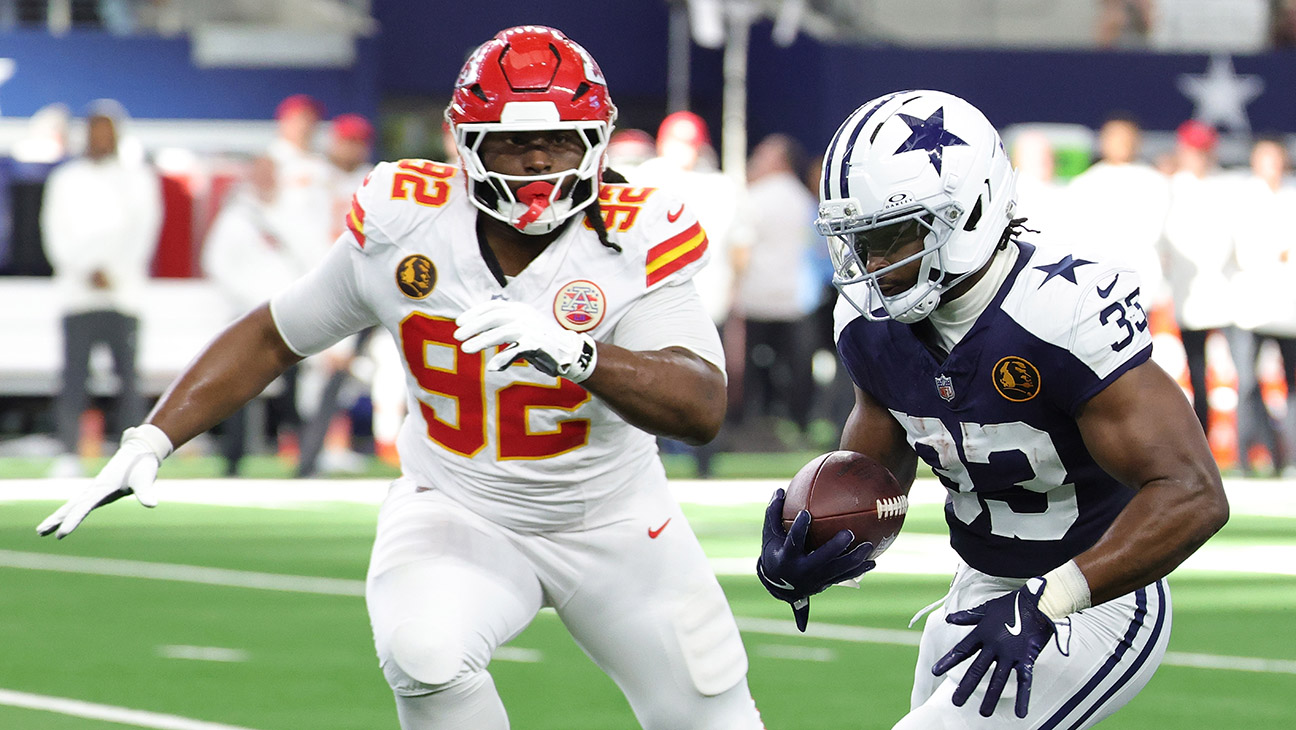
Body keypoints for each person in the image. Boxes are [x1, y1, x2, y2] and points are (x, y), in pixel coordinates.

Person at [39, 26, 764, 730]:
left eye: (560, 140)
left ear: (597, 139)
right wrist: (153, 437)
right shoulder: (405, 225)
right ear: (466, 143)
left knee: (714, 717)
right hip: (462, 509)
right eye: (512, 143)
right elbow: (273, 334)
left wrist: (580, 354)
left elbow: (700, 405)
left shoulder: (636, 232)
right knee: (425, 650)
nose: (539, 162)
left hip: (617, 518)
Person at [756, 90, 1228, 728]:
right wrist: (816, 541)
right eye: (857, 241)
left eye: (892, 237)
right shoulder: (869, 323)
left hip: (1099, 591)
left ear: (972, 211)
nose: (873, 266)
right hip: (982, 584)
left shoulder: (1060, 311)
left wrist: (1048, 600)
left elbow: (1193, 492)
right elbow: (876, 466)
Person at [40, 101, 163, 477]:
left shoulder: (138, 179)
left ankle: (136, 456)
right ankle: (69, 452)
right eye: (95, 130)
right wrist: (84, 270)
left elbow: (144, 230)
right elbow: (55, 231)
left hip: (123, 295)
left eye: (107, 131)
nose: (100, 138)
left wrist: (115, 272)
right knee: (74, 378)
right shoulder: (65, 179)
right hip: (77, 296)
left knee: (128, 380)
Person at [200, 156, 309, 475]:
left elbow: (310, 260)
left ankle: (303, 457)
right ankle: (233, 459)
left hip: (288, 315)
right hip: (247, 316)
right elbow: (216, 263)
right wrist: (248, 300)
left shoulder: (294, 215)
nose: (266, 180)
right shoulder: (236, 218)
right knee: (238, 391)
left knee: (293, 392)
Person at [729, 133, 820, 442]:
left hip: (757, 297)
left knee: (754, 369)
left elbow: (741, 249)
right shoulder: (804, 200)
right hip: (797, 298)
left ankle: (750, 426)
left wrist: (734, 288)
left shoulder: (755, 198)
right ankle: (800, 425)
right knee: (798, 368)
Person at [1159, 120, 1239, 439]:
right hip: (1189, 297)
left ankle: (1246, 445)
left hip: (1231, 296)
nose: (1199, 156)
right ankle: (1201, 441)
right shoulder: (1169, 188)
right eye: (1193, 150)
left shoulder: (1229, 186)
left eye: (1204, 150)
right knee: (1196, 374)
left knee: (1243, 375)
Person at [1229, 136, 1296, 475]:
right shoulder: (1240, 197)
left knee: (1291, 386)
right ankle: (1245, 458)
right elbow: (1241, 251)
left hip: (1289, 310)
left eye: (1276, 158)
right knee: (1246, 384)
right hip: (1250, 309)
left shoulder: (1292, 195)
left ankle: (1290, 458)